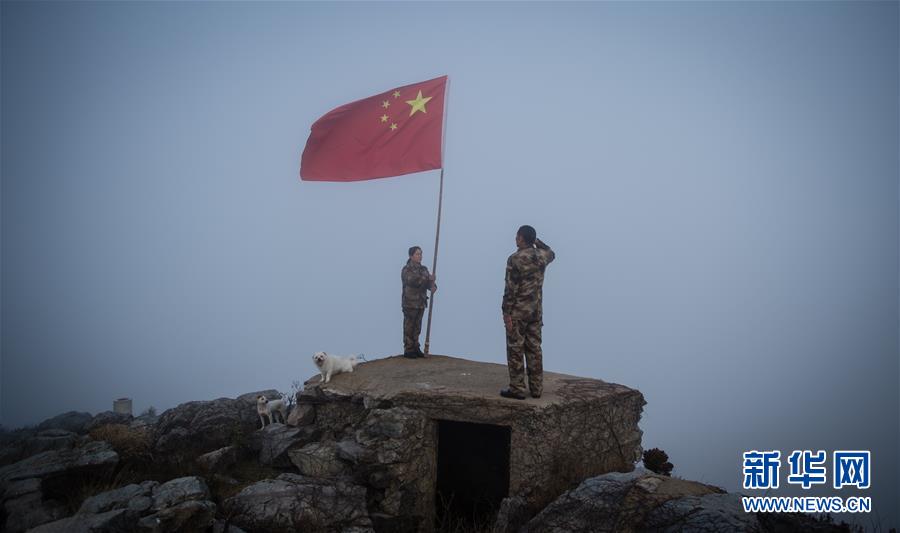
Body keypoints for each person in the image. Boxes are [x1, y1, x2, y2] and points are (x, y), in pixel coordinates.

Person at [501, 225, 555, 399]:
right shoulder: (542, 257)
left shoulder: (515, 259)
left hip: (518, 312)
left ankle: (517, 388)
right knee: (534, 349)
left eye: (518, 236)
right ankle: (536, 388)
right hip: (535, 312)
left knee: (516, 349)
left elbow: (510, 289)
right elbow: (551, 252)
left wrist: (506, 313)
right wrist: (536, 241)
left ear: (522, 238)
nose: (516, 238)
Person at [401, 246, 436, 358]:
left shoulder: (423, 269)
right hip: (410, 303)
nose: (420, 256)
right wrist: (428, 278)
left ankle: (416, 348)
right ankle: (409, 349)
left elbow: (428, 284)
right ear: (411, 256)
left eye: (421, 254)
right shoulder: (407, 269)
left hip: (421, 303)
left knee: (417, 327)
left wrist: (432, 285)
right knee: (409, 327)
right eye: (417, 254)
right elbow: (413, 281)